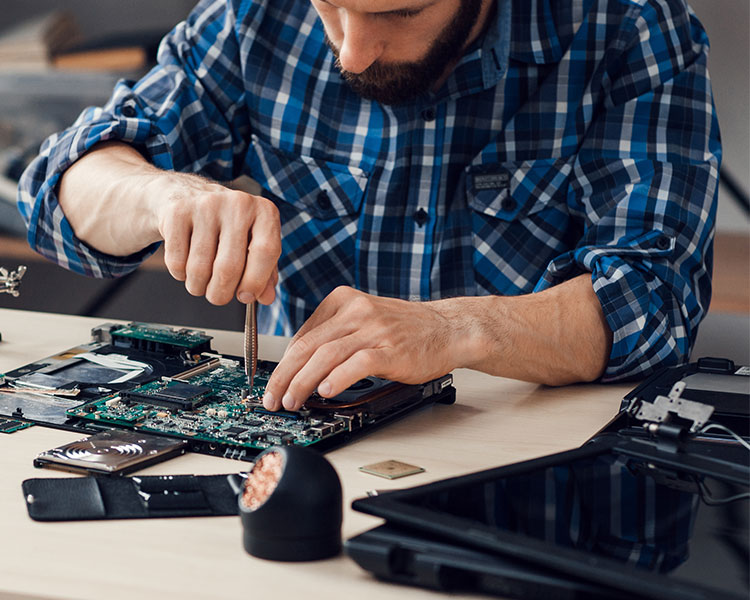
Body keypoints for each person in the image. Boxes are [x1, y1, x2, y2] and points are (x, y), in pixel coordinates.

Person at [17, 0, 720, 412]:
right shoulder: (253, 16)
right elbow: (54, 192)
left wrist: (459, 328)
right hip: (312, 438)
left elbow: (656, 301)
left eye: (398, 12)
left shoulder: (629, 26)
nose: (352, 53)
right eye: (331, 6)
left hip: (531, 446)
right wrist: (160, 192)